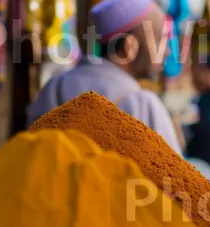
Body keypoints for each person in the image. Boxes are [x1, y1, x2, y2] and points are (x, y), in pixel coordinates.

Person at [27, 0, 182, 153]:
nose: (167, 51)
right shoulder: (143, 104)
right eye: (160, 40)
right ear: (129, 47)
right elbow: (178, 176)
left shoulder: (54, 88)